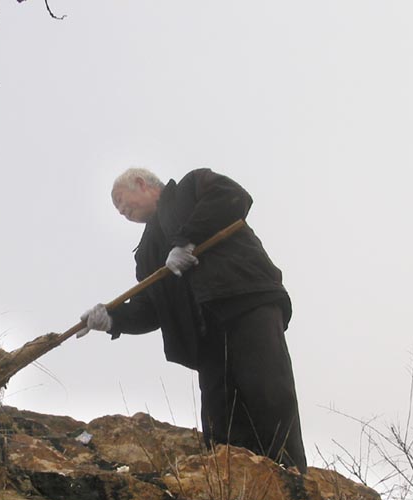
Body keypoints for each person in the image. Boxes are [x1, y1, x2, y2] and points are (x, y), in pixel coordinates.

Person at [78, 167, 307, 473]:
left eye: (122, 200)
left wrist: (186, 240)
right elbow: (150, 308)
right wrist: (112, 318)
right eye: (118, 210)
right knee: (220, 412)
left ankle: (291, 476)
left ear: (142, 184)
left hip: (244, 300)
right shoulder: (147, 253)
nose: (122, 211)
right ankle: (235, 484)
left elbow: (233, 197)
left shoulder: (192, 187)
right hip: (203, 334)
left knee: (267, 390)